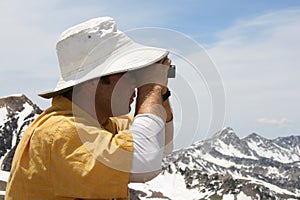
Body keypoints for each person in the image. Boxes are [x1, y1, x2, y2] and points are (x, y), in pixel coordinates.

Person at [5, 17, 174, 200]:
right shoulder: (61, 132)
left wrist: (160, 93)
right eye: (129, 73)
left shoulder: (100, 124)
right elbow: (145, 162)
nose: (135, 82)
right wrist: (151, 88)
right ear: (93, 82)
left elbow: (161, 144)